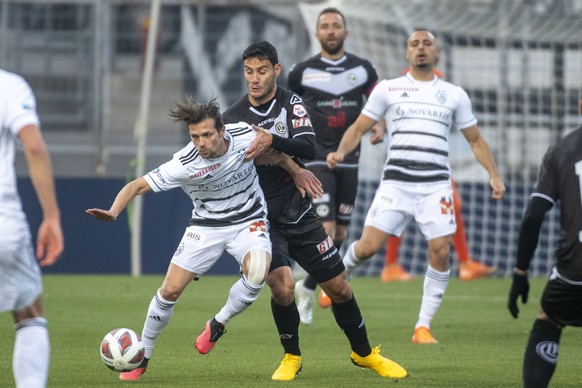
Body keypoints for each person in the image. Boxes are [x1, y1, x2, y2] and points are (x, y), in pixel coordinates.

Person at [219, 41, 407, 381]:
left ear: (276, 70)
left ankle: (364, 354)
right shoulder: (231, 118)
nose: (255, 79)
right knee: (282, 285)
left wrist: (272, 142)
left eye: (262, 71)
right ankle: (291, 356)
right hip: (261, 222)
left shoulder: (292, 103)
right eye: (249, 72)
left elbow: (309, 145)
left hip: (300, 213)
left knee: (339, 288)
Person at [326, 28, 505, 344]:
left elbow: (475, 140)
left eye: (427, 44)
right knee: (368, 247)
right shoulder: (388, 89)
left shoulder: (454, 94)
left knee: (440, 250)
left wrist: (493, 173)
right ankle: (342, 273)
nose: (420, 48)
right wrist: (340, 152)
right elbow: (359, 127)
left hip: (435, 186)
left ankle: (422, 326)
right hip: (396, 183)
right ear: (407, 54)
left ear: (437, 53)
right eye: (414, 44)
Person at [86, 97, 275, 381]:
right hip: (207, 225)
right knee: (170, 291)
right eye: (195, 136)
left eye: (207, 135)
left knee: (258, 270)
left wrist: (296, 169)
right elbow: (137, 185)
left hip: (249, 220)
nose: (201, 142)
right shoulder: (184, 164)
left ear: (222, 131)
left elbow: (275, 149)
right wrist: (113, 212)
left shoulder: (245, 134)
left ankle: (218, 323)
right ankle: (142, 356)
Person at [286, 7, 383, 325]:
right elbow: (289, 109)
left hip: (350, 159)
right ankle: (317, 285)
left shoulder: (364, 69)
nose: (330, 30)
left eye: (336, 26)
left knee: (341, 232)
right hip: (316, 159)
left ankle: (308, 286)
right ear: (317, 34)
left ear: (345, 33)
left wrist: (379, 125)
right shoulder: (301, 72)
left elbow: (377, 103)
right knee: (326, 228)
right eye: (324, 26)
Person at [507, 92, 582, 388]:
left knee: (549, 319)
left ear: (579, 106)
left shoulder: (561, 151)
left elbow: (533, 216)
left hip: (574, 272)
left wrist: (520, 273)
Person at [0, 68, 64, 388]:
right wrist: (51, 216)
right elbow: (34, 147)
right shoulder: (9, 86)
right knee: (29, 314)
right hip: (3, 223)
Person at [381, 179, 497, 282]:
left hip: (432, 162)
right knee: (400, 206)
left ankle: (465, 264)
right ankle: (390, 266)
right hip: (410, 163)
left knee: (452, 203)